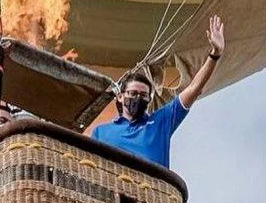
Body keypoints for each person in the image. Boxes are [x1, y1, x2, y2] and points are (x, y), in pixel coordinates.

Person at [92, 15, 225, 168]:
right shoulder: (101, 132)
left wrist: (215, 54)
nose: (138, 98)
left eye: (143, 95)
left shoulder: (160, 122)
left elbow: (193, 88)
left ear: (149, 99)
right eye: (133, 94)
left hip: (152, 190)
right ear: (120, 97)